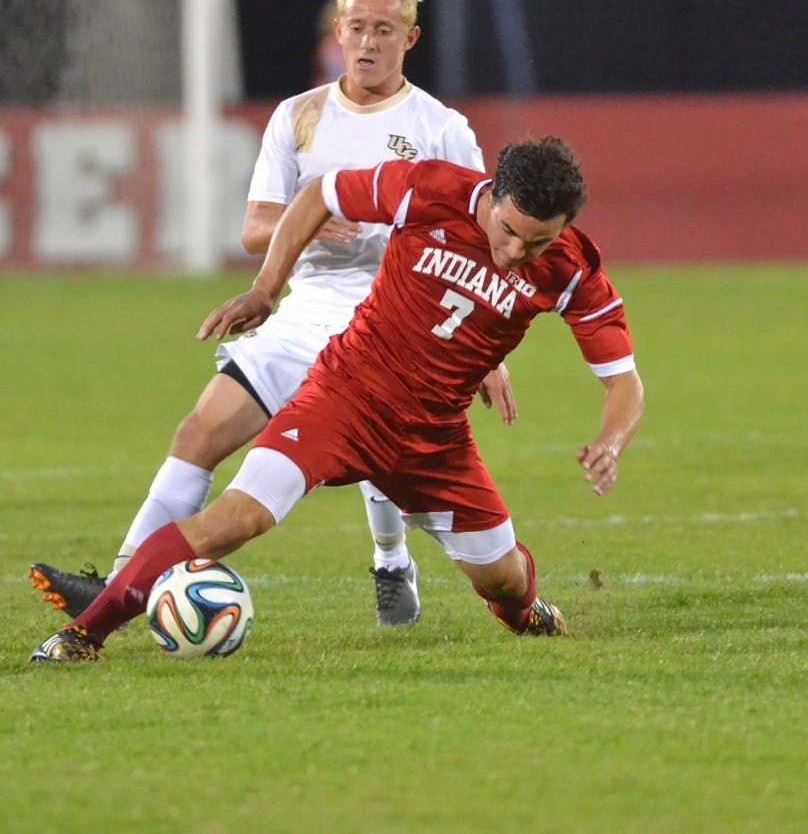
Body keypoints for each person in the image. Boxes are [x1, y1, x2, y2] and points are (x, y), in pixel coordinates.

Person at [30, 135, 644, 662]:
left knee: (503, 579)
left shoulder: (571, 268)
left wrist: (611, 441)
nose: (515, 252)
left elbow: (623, 380)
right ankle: (82, 637)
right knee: (236, 519)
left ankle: (528, 612)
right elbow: (320, 192)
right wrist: (267, 288)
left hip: (434, 439)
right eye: (509, 231)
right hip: (343, 397)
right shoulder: (425, 189)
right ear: (492, 193)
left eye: (535, 244)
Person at [29, 0, 510, 629]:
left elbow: (482, 243)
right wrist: (310, 221)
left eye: (385, 30)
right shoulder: (299, 117)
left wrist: (488, 353)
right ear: (338, 31)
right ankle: (116, 583)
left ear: (412, 37)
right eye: (359, 28)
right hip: (305, 312)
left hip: (398, 324)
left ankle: (391, 558)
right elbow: (257, 225)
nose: (369, 43)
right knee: (200, 429)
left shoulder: (442, 129)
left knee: (379, 460)